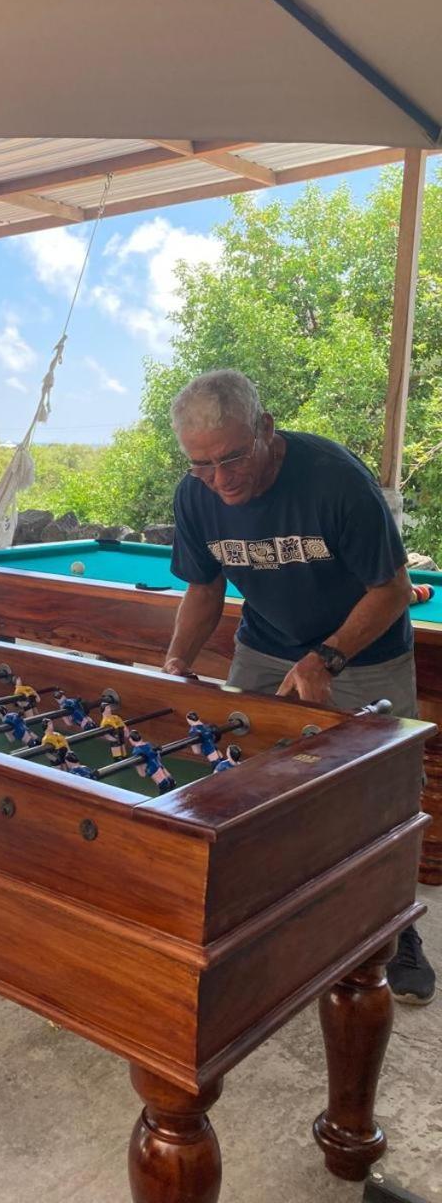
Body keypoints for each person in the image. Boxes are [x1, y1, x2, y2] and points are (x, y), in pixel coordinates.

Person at [163, 368, 435, 1006]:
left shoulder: (335, 479)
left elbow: (393, 589)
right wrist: (174, 663)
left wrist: (327, 659)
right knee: (235, 776)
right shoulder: (195, 493)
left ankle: (396, 927)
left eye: (232, 458)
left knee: (385, 789)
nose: (221, 480)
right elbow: (203, 589)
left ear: (266, 428)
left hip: (363, 651)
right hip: (262, 647)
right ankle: (260, 913)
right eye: (202, 465)